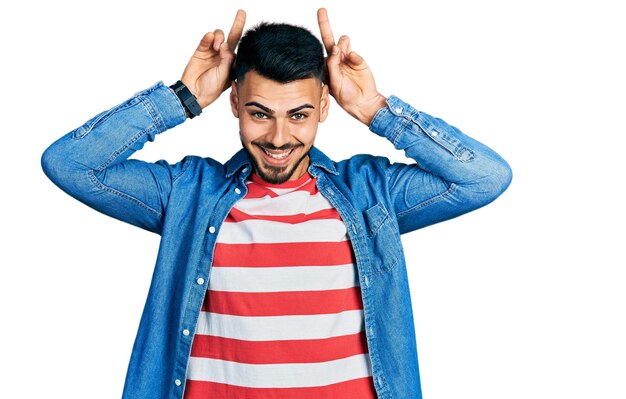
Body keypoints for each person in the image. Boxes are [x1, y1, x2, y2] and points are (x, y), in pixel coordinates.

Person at [41, 8, 512, 399]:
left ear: (324, 107)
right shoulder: (188, 193)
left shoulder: (371, 193)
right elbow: (71, 164)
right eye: (259, 113)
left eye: (300, 115)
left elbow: (485, 178)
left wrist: (376, 109)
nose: (279, 138)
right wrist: (181, 99)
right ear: (234, 106)